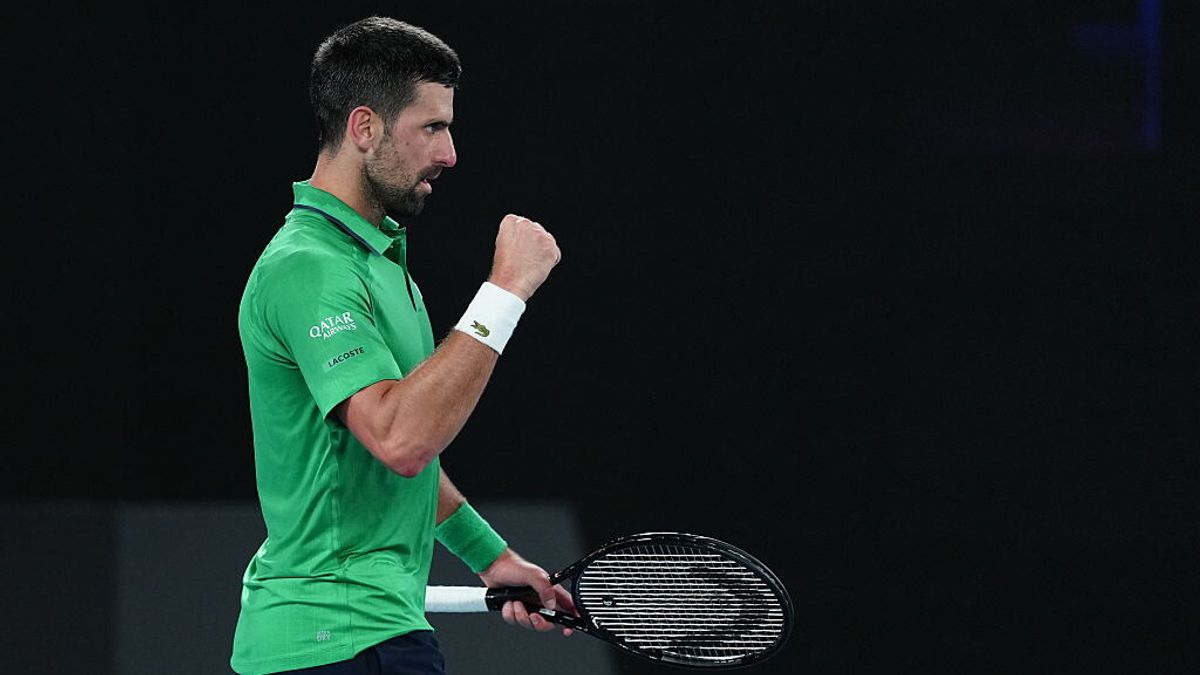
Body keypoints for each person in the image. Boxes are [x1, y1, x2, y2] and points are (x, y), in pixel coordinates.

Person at [230, 16, 572, 675]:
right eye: (432, 127)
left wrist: (491, 555)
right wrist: (505, 291)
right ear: (364, 127)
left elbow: (380, 456)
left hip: (363, 637)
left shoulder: (378, 267)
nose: (450, 154)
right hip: (341, 641)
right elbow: (401, 439)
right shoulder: (309, 268)